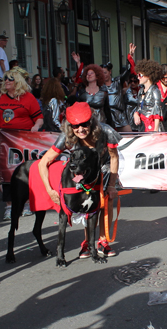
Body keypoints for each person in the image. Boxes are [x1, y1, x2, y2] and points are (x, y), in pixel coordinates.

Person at [36, 102, 120, 258]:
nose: (80, 129)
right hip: (84, 171)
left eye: (84, 124)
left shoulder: (105, 131)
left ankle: (102, 241)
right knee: (87, 203)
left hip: (104, 167)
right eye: (75, 126)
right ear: (70, 126)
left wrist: (112, 185)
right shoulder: (67, 136)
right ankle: (88, 242)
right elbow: (43, 163)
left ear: (91, 122)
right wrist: (49, 190)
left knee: (106, 201)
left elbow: (114, 157)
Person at [0, 68, 43, 220]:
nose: (6, 81)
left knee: (24, 173)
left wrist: (36, 127)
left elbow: (39, 118)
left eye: (10, 78)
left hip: (23, 143)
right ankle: (9, 205)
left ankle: (26, 203)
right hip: (5, 143)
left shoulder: (28, 98)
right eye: (5, 78)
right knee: (6, 174)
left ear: (18, 81)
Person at [72, 56, 110, 125]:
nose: (89, 75)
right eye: (87, 74)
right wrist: (78, 63)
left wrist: (111, 127)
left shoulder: (103, 92)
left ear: (97, 76)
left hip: (101, 124)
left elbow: (107, 111)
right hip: (87, 125)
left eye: (91, 73)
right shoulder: (82, 92)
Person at [135, 59, 164, 132]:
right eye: (137, 75)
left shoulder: (155, 90)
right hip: (142, 125)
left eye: (140, 75)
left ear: (148, 76)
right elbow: (139, 108)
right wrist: (136, 114)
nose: (138, 77)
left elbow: (157, 110)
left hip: (152, 125)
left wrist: (156, 130)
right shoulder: (141, 91)